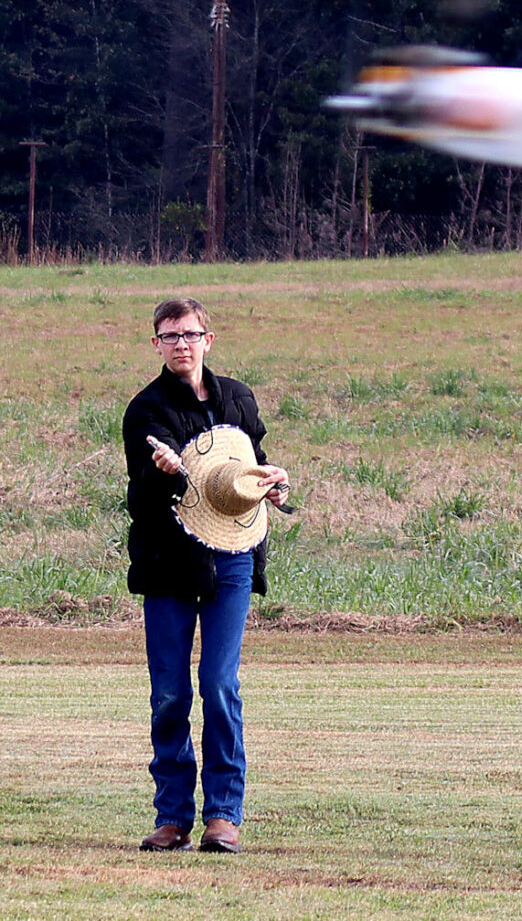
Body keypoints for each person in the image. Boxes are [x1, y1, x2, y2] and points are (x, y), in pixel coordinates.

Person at [122, 297, 289, 853]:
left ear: (208, 340)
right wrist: (165, 475)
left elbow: (253, 466)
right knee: (170, 692)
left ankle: (223, 814)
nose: (181, 345)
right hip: (167, 563)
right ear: (156, 345)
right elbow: (139, 501)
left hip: (231, 559)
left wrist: (277, 485)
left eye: (190, 334)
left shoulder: (238, 398)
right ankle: (172, 817)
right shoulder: (144, 411)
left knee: (218, 683)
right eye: (169, 337)